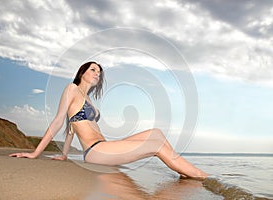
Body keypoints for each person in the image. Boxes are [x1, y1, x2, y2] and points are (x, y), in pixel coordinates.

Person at [10, 61, 208, 180]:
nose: (97, 74)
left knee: (155, 133)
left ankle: (182, 169)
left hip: (104, 146)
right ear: (82, 73)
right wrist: (36, 153)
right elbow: (59, 121)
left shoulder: (88, 99)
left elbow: (71, 129)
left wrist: (64, 155)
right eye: (93, 70)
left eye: (99, 72)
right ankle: (201, 176)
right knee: (155, 145)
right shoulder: (72, 89)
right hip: (95, 151)